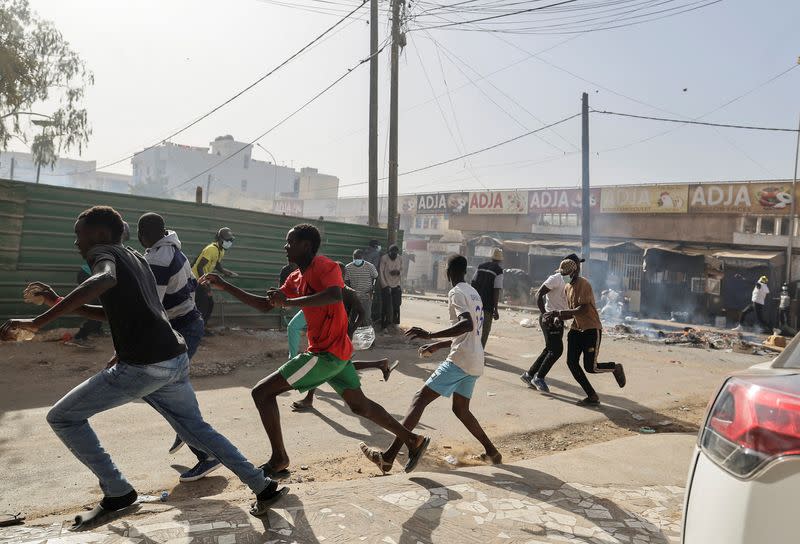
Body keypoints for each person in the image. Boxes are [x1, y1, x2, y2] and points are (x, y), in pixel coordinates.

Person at [0, 206, 285, 522]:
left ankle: (117, 490)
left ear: (99, 234)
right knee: (197, 429)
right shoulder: (136, 258)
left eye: (78, 235)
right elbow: (114, 311)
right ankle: (262, 485)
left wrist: (37, 322)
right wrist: (56, 302)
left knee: (63, 418)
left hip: (144, 365)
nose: (76, 243)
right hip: (174, 359)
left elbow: (104, 279)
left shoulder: (103, 254)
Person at [200, 224, 430, 476]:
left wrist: (288, 301)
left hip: (326, 354)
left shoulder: (325, 266)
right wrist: (225, 285)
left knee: (261, 393)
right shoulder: (295, 278)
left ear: (306, 246)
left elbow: (333, 295)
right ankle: (413, 441)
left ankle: (279, 459)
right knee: (360, 406)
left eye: (290, 242)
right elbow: (266, 305)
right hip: (337, 355)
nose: (285, 247)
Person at [360, 254, 501, 475]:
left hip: (460, 360)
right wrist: (438, 345)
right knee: (461, 410)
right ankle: (492, 452)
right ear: (464, 271)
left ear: (447, 272)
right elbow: (471, 330)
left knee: (419, 399)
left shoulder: (456, 292)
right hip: (475, 360)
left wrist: (429, 336)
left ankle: (388, 457)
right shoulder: (474, 293)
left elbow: (466, 325)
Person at [137, 212, 222, 482]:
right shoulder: (174, 249)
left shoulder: (158, 258)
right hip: (188, 324)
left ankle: (203, 450)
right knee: (170, 389)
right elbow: (190, 286)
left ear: (143, 235)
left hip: (179, 329)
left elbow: (154, 307)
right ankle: (187, 430)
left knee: (161, 389)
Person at [290, 261, 398, 412]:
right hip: (327, 333)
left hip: (339, 334)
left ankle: (309, 399)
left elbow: (361, 312)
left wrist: (351, 330)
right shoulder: (327, 290)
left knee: (323, 363)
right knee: (338, 365)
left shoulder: (347, 292)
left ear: (343, 276)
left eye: (338, 274)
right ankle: (380, 364)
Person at [548, 257, 626, 406]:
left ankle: (615, 367)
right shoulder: (567, 287)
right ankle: (592, 395)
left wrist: (558, 313)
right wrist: (559, 318)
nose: (565, 276)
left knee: (591, 367)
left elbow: (582, 309)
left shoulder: (584, 284)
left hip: (591, 328)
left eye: (567, 273)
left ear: (574, 271)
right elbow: (572, 313)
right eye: (563, 273)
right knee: (572, 363)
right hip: (576, 329)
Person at [520, 253, 582, 393]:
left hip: (557, 320)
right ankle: (539, 378)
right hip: (550, 319)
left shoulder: (570, 282)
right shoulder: (556, 279)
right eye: (577, 266)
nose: (578, 269)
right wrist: (544, 314)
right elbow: (538, 294)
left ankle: (529, 375)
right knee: (557, 350)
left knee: (549, 349)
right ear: (571, 268)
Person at [192, 227, 238, 332]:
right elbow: (199, 267)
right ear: (220, 239)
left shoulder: (220, 250)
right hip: (196, 279)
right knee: (203, 304)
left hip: (202, 279)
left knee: (209, 303)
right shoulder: (211, 249)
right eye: (227, 240)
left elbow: (216, 263)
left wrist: (225, 272)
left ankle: (202, 327)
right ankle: (199, 329)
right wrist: (205, 284)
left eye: (230, 241)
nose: (229, 243)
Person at [471, 248, 504, 348]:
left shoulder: (481, 266)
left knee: (473, 328)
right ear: (500, 260)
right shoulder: (498, 270)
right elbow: (496, 290)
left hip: (474, 303)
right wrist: (496, 309)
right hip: (487, 305)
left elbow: (473, 282)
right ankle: (480, 352)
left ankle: (471, 350)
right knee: (485, 330)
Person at [345, 249, 378, 326]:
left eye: (359, 257)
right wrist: (350, 293)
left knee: (366, 317)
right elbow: (346, 281)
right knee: (353, 318)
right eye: (355, 257)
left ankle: (367, 335)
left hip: (366, 296)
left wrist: (372, 289)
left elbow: (376, 277)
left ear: (363, 257)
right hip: (354, 297)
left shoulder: (370, 266)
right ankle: (352, 335)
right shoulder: (348, 267)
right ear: (353, 257)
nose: (357, 259)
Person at [379, 244, 403, 334]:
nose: (394, 255)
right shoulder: (384, 258)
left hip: (396, 284)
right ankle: (384, 326)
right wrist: (385, 286)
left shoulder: (399, 258)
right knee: (386, 306)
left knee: (397, 305)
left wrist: (398, 272)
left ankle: (395, 323)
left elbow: (402, 269)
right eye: (392, 253)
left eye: (395, 253)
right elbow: (381, 272)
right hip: (386, 285)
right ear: (389, 252)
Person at [363, 240, 383, 325]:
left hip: (360, 276)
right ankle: (367, 321)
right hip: (369, 279)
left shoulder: (364, 252)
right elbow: (374, 267)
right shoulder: (376, 253)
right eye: (378, 245)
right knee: (368, 301)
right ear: (376, 246)